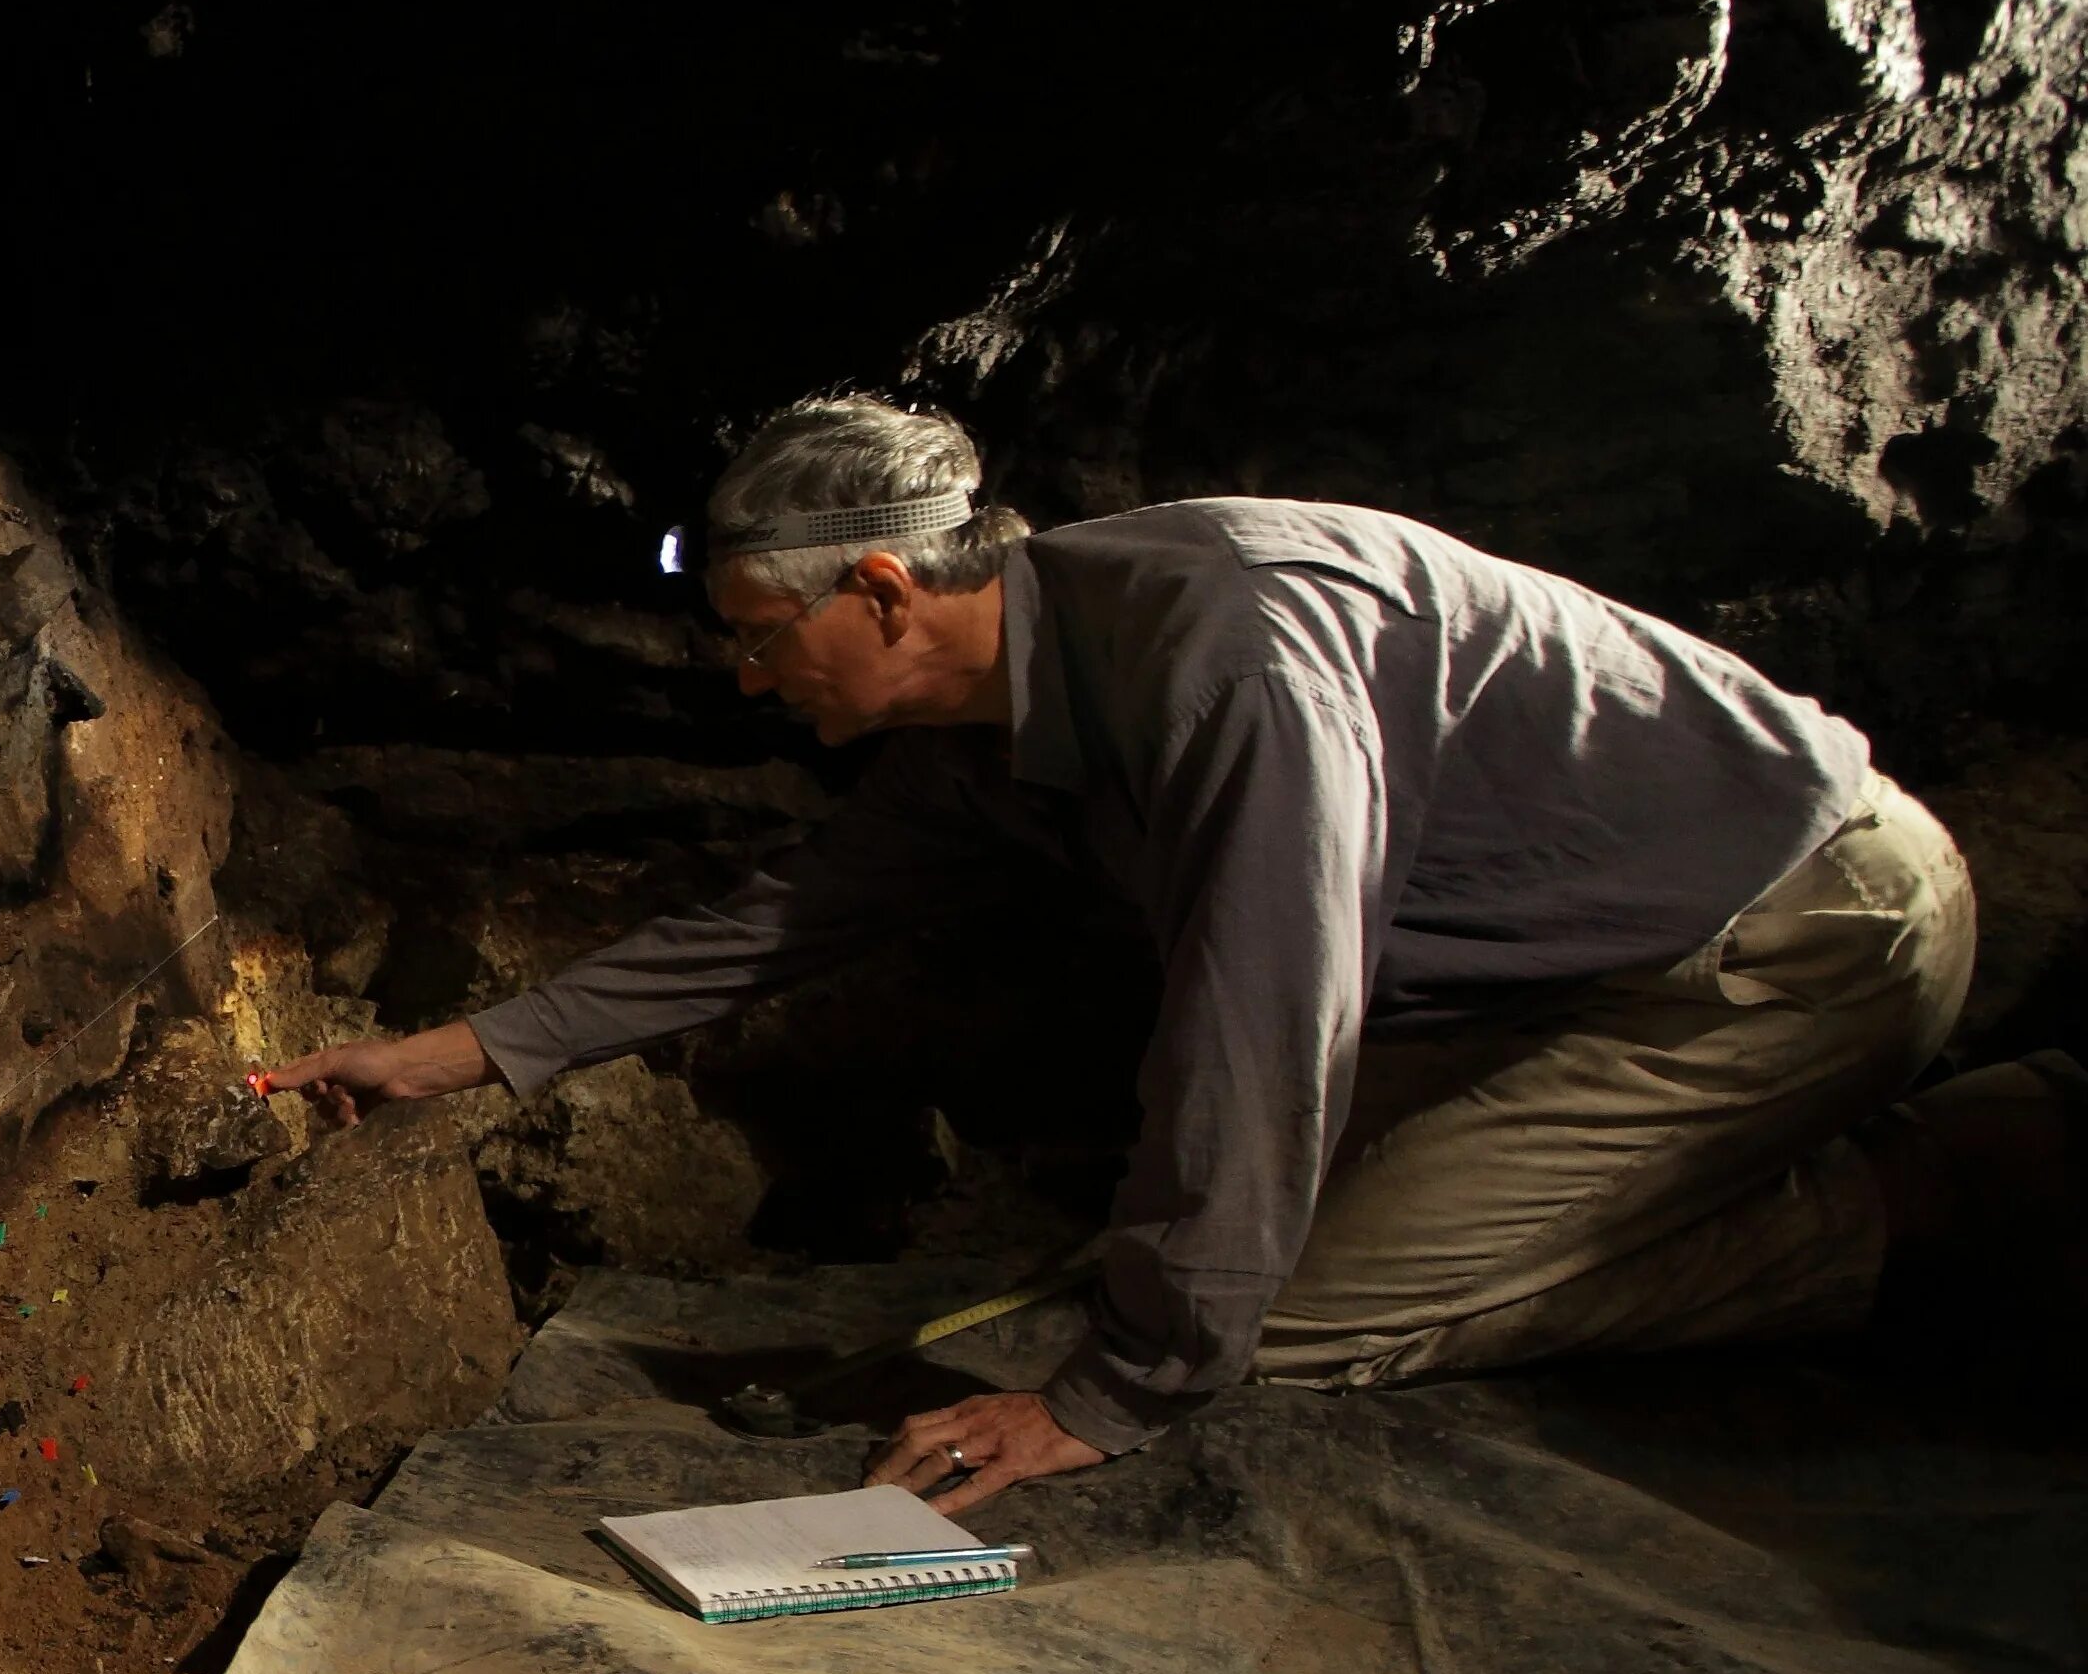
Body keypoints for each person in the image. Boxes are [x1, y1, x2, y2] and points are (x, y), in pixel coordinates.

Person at [266, 396, 2084, 1515]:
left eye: (761, 639)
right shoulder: (985, 723)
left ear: (887, 593)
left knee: (1274, 1314)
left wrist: (1115, 1396)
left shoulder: (1227, 655)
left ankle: (1923, 1197)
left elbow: (1263, 1027)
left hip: (1791, 939)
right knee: (1212, 1235)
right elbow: (793, 916)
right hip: (1579, 975)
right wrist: (465, 1055)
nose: (745, 680)